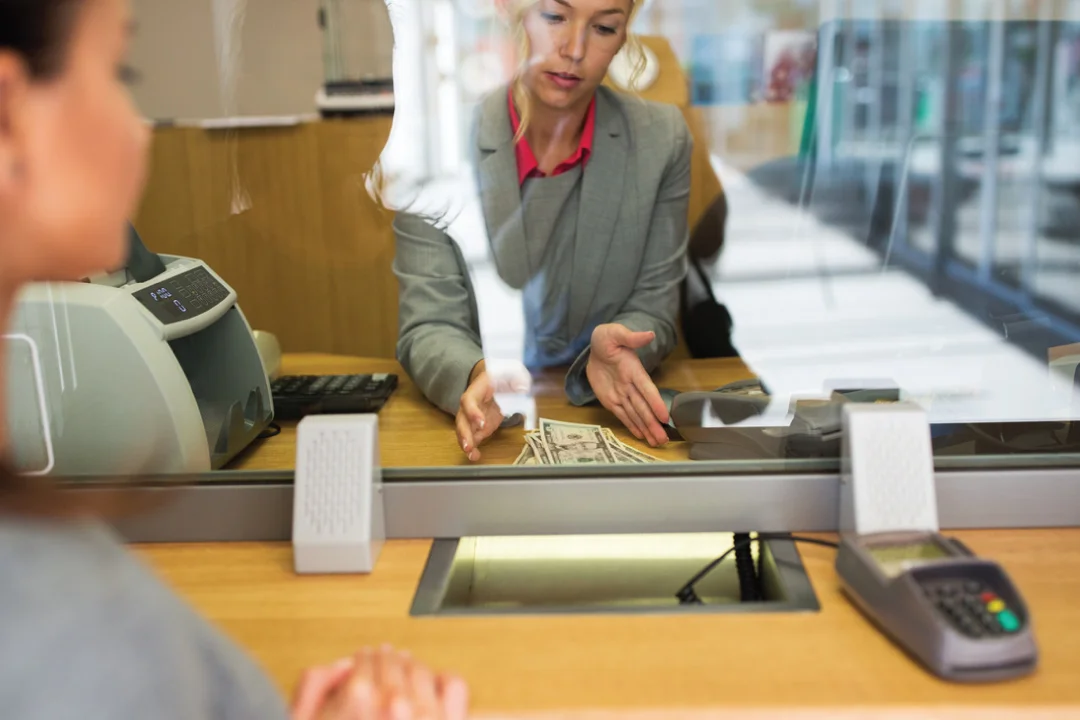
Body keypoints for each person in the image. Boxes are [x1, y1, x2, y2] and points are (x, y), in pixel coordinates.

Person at [0, 0, 468, 717]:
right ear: (9, 118)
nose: (141, 127)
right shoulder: (69, 633)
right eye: (120, 72)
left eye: (375, 76)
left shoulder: (72, 589)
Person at [392, 0, 692, 461]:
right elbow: (431, 323)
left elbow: (655, 304)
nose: (574, 49)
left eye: (605, 27)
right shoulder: (434, 148)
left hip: (598, 414)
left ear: (624, 35)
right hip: (494, 432)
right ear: (512, 12)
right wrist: (474, 372)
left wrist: (624, 341)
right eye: (554, 17)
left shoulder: (662, 139)